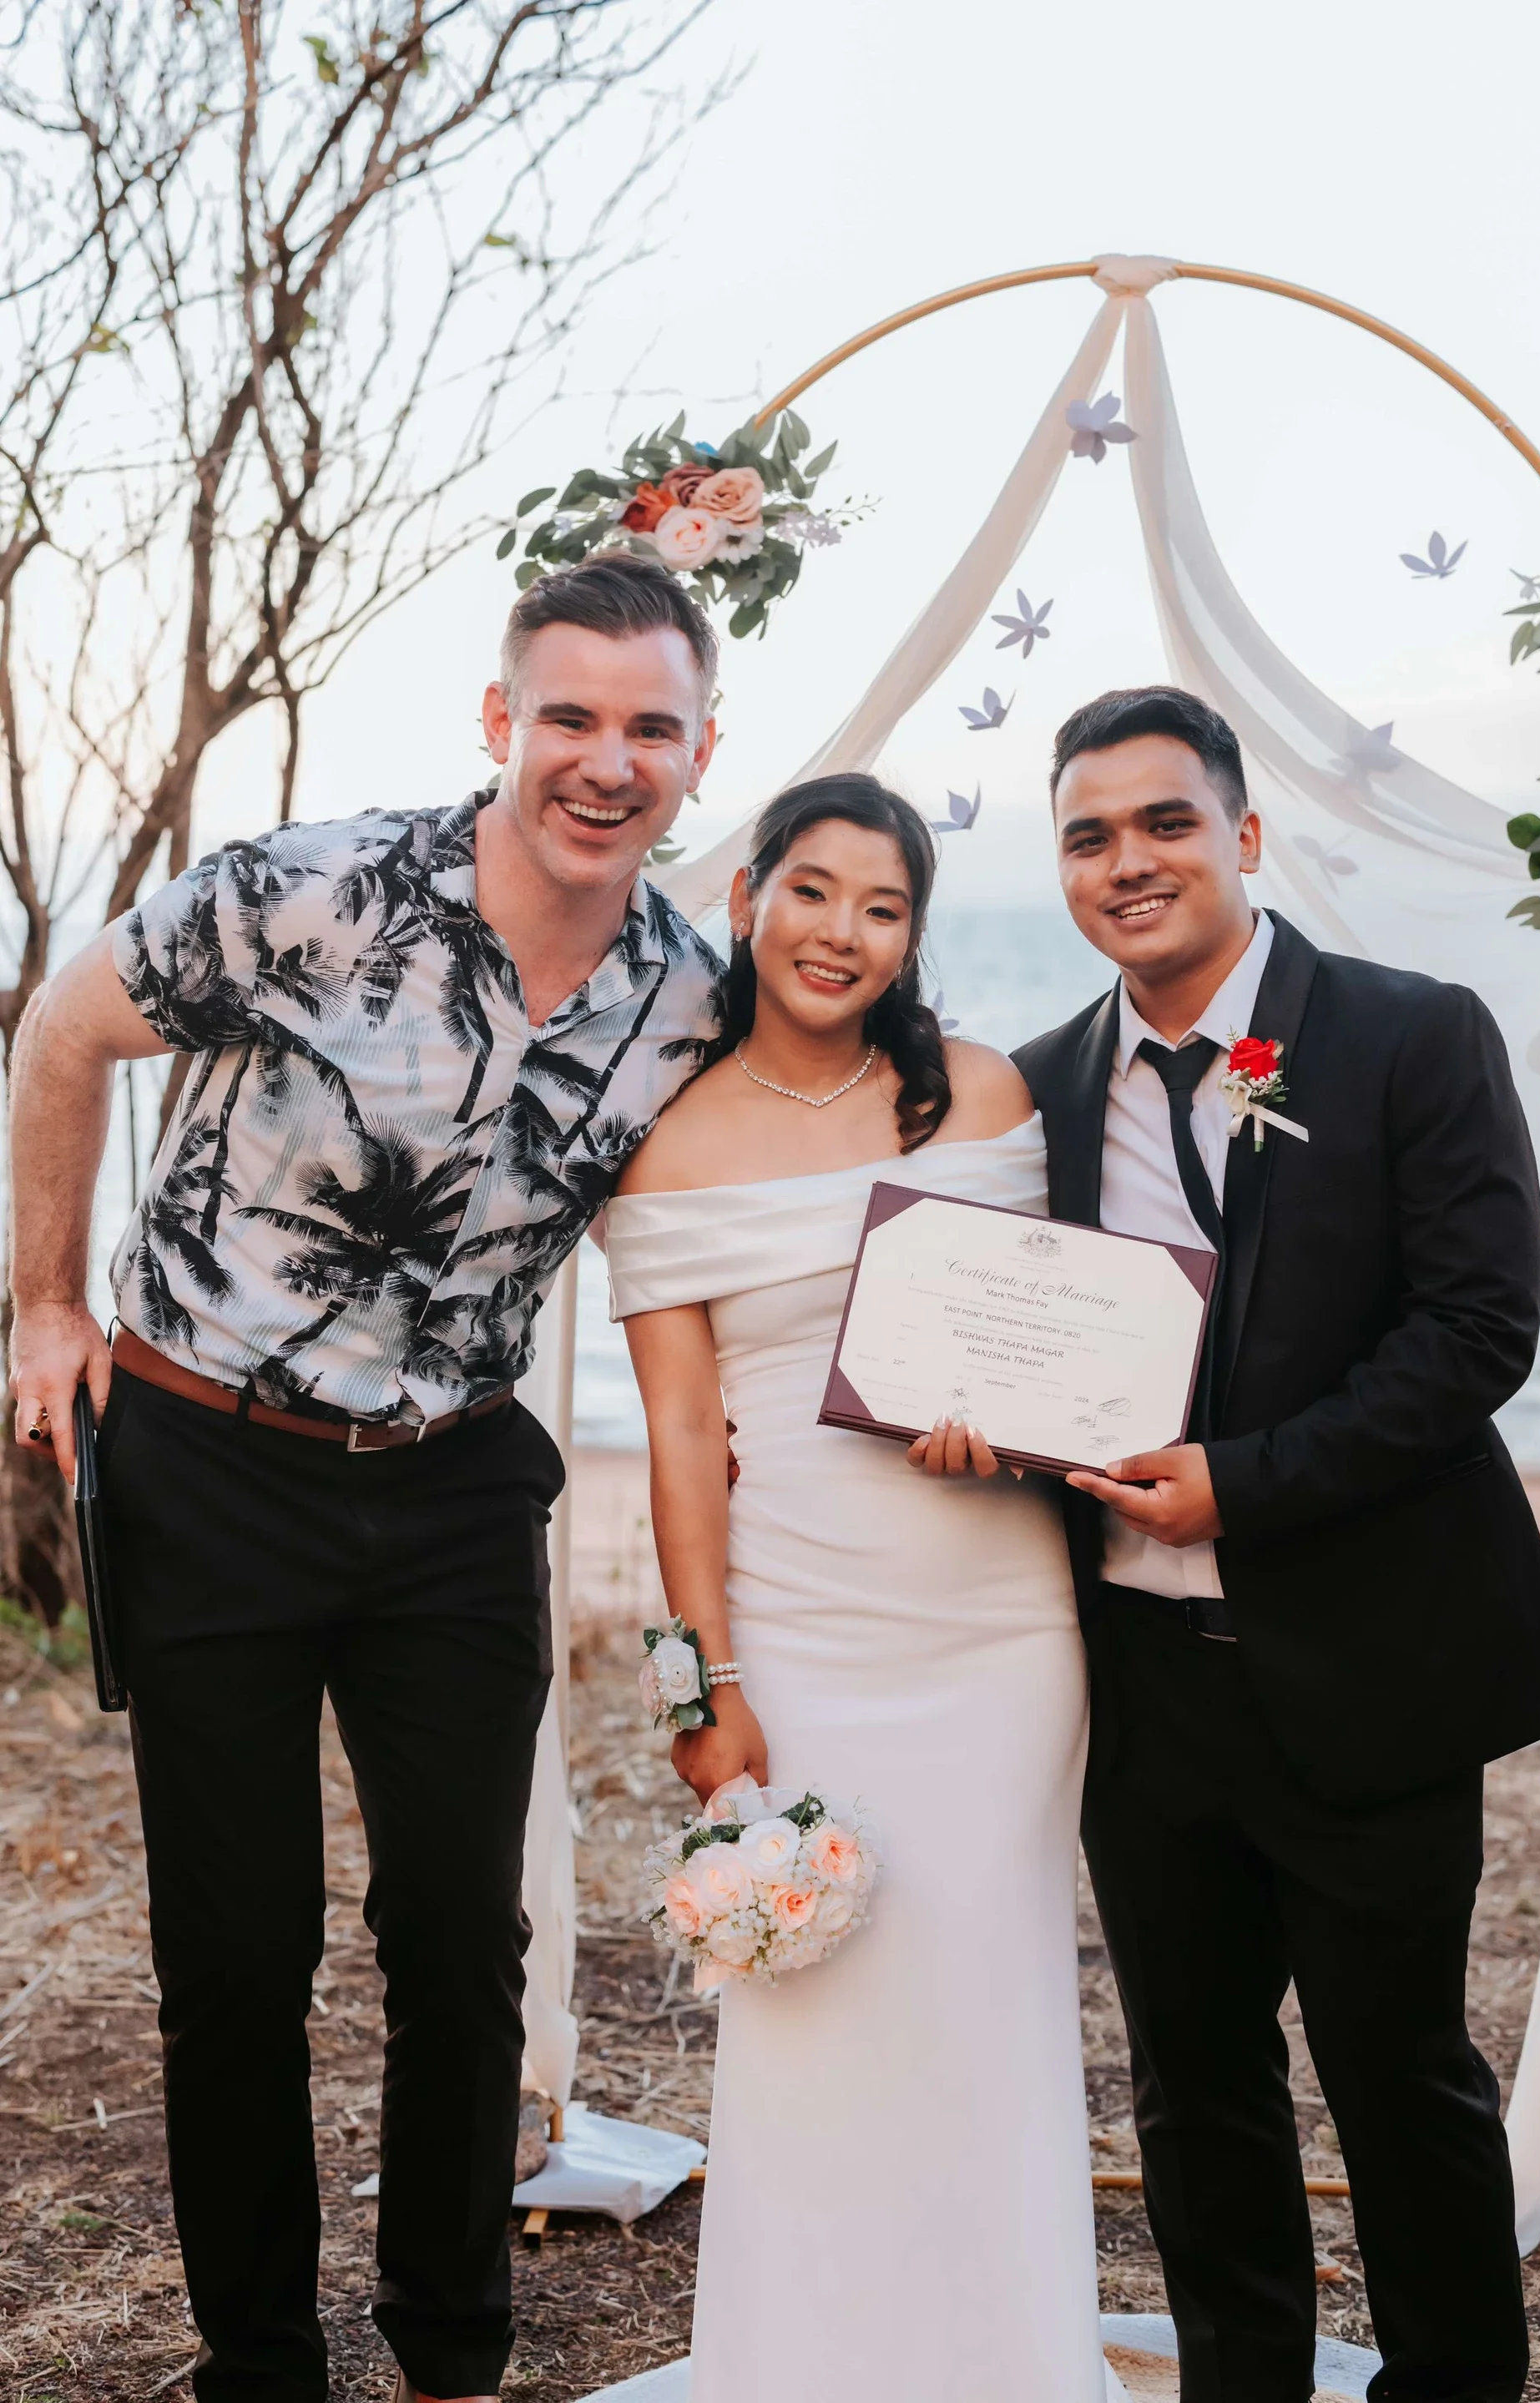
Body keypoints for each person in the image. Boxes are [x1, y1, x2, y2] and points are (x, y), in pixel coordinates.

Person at [7, 554, 726, 2403]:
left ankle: (451, 2356)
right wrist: (39, 1308)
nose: (605, 757)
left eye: (650, 725)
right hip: (210, 1466)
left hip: (459, 1490)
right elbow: (64, 1031)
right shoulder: (307, 892)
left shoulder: (688, 998)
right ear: (503, 722)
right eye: (570, 714)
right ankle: (261, 2363)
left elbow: (830, 1122)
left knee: (462, 1943)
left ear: (698, 753)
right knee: (237, 1957)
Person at [1007, 685, 1540, 2403]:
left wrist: (1240, 1483)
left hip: (1369, 1660)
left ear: (1246, 836)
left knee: (1402, 2074)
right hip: (1140, 1681)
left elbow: (1479, 1327)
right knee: (1192, 2088)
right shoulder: (1039, 1092)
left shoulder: (1414, 1035)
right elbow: (1007, 1340)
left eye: (1166, 820)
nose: (1131, 861)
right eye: (1090, 834)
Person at [606, 772, 1110, 2402]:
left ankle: (1008, 2364)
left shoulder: (974, 1094)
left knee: (989, 2012)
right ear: (751, 890)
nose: (841, 931)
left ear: (913, 932)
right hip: (804, 1630)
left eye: (882, 907)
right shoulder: (668, 1138)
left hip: (1001, 1630)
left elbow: (1056, 1339)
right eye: (813, 891)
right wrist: (707, 1684)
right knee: (817, 2029)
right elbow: (682, 1442)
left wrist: (1022, 1433)